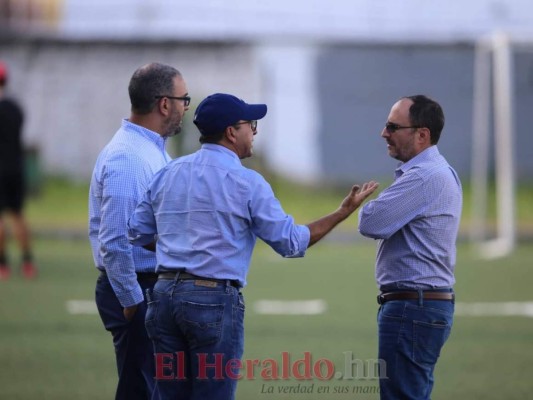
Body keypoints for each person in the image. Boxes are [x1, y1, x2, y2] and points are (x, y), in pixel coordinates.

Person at [127, 93, 379, 400]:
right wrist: (342, 213)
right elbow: (291, 242)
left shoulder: (168, 172)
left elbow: (138, 233)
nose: (255, 131)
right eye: (251, 124)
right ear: (232, 132)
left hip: (163, 297)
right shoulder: (248, 182)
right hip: (212, 299)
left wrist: (177, 248)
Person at [88, 62, 190, 400]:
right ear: (164, 104)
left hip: (146, 288)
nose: (185, 107)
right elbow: (115, 239)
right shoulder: (130, 158)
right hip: (136, 290)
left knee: (151, 389)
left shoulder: (147, 148)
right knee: (140, 392)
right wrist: (132, 301)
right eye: (183, 99)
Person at [358, 95, 462, 400]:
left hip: (412, 306)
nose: (384, 133)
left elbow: (372, 222)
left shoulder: (424, 177)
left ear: (422, 134)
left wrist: (363, 206)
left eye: (393, 126)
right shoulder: (438, 172)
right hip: (422, 304)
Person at [0, 60, 37, 280]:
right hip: (17, 167)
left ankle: (3, 264)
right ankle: (27, 262)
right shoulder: (16, 108)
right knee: (19, 215)